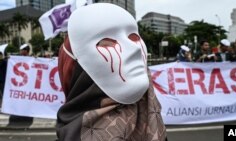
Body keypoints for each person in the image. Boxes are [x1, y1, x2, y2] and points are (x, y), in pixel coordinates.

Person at [56, 3, 167, 141]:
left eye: (134, 37)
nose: (135, 48)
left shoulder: (153, 119)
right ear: (75, 69)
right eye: (107, 42)